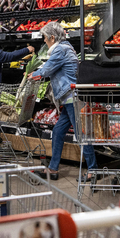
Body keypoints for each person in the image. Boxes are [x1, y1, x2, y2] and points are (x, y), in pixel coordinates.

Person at [28, 22, 97, 181]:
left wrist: (34, 74)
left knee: (81, 134)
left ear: (52, 37)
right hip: (69, 98)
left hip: (72, 97)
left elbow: (48, 69)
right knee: (58, 131)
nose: (44, 41)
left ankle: (93, 169)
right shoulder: (66, 47)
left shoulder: (60, 49)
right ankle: (53, 169)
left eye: (45, 37)